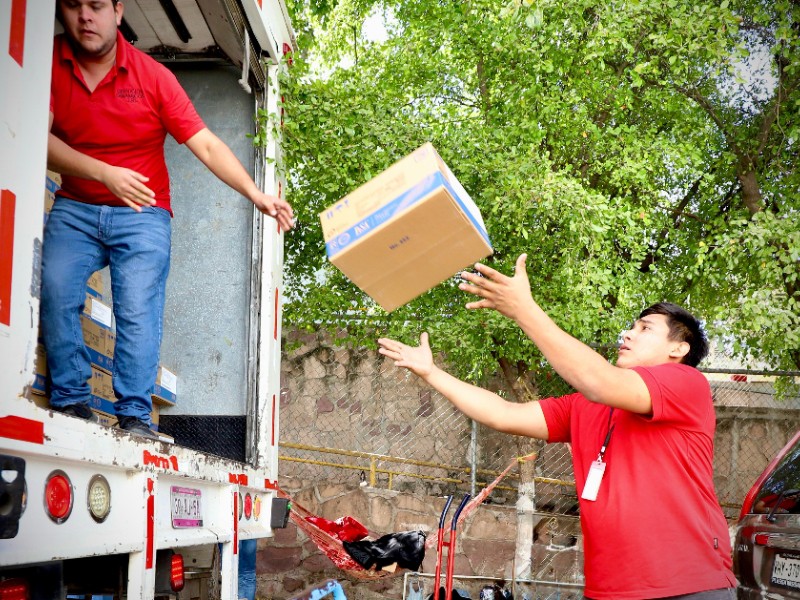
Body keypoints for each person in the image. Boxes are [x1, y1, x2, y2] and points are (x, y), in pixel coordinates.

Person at [377, 254, 737, 599]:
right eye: (631, 326)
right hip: (609, 588)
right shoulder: (585, 405)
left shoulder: (685, 383)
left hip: (687, 585)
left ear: (678, 348)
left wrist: (524, 309)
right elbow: (502, 413)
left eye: (644, 329)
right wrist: (431, 372)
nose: (627, 335)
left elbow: (598, 380)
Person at [43, 0, 294, 439]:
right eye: (74, 5)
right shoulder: (46, 64)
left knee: (137, 309)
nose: (86, 16)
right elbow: (35, 134)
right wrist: (104, 173)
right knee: (54, 284)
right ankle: (69, 398)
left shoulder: (153, 78)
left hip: (143, 214)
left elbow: (208, 145)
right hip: (77, 205)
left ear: (119, 12)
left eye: (97, 6)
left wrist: (257, 195)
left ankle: (135, 414)